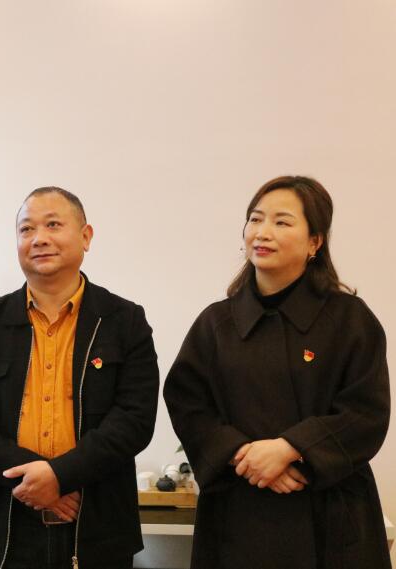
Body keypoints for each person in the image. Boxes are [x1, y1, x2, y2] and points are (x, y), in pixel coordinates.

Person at [163, 175, 391, 569]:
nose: (263, 232)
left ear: (315, 242)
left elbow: (366, 412)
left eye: (282, 222)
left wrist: (291, 449)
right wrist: (242, 455)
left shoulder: (350, 319)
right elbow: (187, 402)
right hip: (240, 513)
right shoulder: (216, 323)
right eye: (255, 219)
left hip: (329, 516)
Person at [0, 187, 159, 569]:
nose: (39, 238)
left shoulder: (124, 321)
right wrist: (36, 481)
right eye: (26, 229)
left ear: (86, 236)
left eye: (53, 225)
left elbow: (134, 420)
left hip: (96, 523)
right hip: (7, 524)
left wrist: (60, 476)